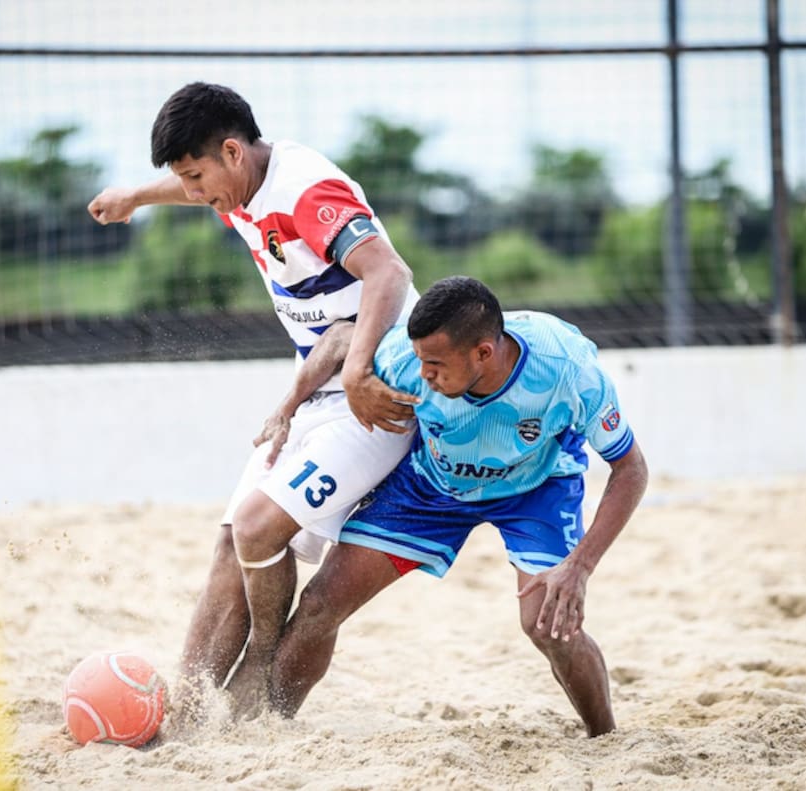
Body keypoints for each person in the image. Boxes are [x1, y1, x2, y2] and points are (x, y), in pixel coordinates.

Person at [87, 82, 420, 717]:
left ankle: (263, 665)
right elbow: (194, 185)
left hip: (370, 393)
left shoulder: (305, 190)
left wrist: (353, 373)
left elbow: (390, 273)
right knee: (231, 545)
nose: (193, 194)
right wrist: (136, 194)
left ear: (233, 152)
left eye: (195, 177)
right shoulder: (238, 180)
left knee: (260, 531)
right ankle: (186, 715)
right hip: (316, 385)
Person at [268, 276, 649, 736]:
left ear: (483, 353)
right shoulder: (405, 359)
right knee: (320, 603)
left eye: (435, 365)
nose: (423, 374)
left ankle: (605, 739)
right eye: (420, 361)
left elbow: (630, 470)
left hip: (536, 488)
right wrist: (288, 405)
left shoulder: (566, 368)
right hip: (431, 488)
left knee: (547, 626)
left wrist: (579, 567)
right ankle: (269, 726)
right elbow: (336, 342)